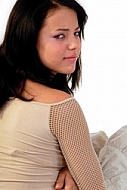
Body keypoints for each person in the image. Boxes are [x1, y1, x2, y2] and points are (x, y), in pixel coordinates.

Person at [0, 0, 106, 189]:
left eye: (76, 32)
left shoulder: (7, 91)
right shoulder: (61, 107)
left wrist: (72, 166)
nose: (74, 44)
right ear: (28, 40)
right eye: (59, 36)